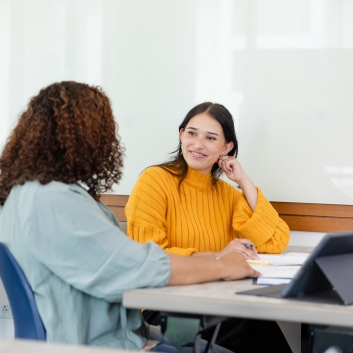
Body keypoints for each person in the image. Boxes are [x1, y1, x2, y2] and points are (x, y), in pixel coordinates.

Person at [0, 82, 258, 353]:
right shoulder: (54, 201)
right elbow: (141, 267)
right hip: (105, 344)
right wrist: (223, 265)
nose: (107, 141)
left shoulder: (30, 193)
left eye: (211, 137)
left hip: (119, 332)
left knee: (248, 327)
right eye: (103, 131)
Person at [125, 102, 292, 353]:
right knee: (246, 323)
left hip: (215, 298)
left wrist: (244, 182)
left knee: (256, 319)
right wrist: (218, 257)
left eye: (210, 138)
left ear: (227, 148)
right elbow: (149, 257)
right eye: (191, 133)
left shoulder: (227, 194)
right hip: (163, 303)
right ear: (181, 135)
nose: (198, 144)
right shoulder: (154, 181)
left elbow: (276, 241)